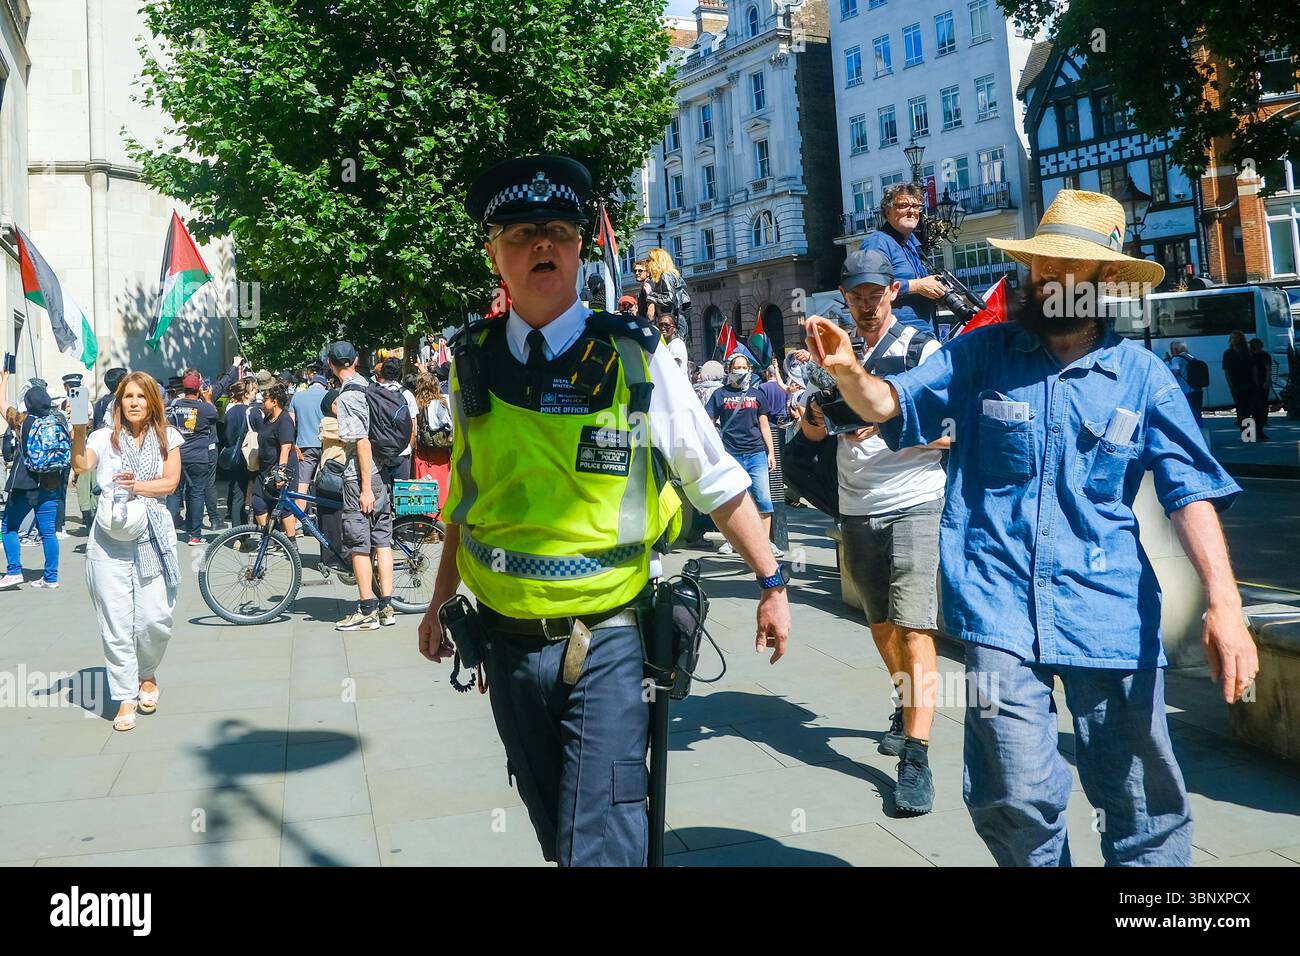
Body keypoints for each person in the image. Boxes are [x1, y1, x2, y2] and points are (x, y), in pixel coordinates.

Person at [805, 189, 1257, 866]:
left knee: (1141, 803)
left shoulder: (1142, 377)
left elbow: (1190, 491)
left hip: (1107, 612)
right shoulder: (980, 356)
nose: (1044, 281)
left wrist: (1226, 605)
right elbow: (889, 405)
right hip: (999, 608)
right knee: (1012, 794)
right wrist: (846, 370)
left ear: (1104, 281)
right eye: (1038, 267)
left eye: (1063, 269)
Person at [418, 154, 790, 868]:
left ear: (581, 246)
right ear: (493, 252)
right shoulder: (471, 362)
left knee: (604, 841)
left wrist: (772, 582)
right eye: (521, 233)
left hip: (609, 643)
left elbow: (714, 478)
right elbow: (465, 500)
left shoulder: (634, 357)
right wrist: (439, 602)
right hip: (505, 644)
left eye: (557, 230)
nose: (541, 247)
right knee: (557, 828)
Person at [800, 249, 949, 814]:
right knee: (879, 621)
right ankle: (904, 697)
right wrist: (816, 420)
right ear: (845, 296)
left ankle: (917, 753)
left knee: (914, 626)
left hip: (915, 500)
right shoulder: (832, 351)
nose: (865, 304)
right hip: (855, 503)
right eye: (855, 295)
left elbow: (951, 431)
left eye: (875, 293)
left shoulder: (921, 349)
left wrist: (884, 430)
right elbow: (814, 438)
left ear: (893, 292)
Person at [71, 372, 182, 732]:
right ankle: (124, 696)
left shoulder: (167, 436)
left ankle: (147, 673)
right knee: (116, 623)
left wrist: (139, 486)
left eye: (141, 396)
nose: (134, 402)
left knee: (154, 620)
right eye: (127, 397)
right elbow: (81, 465)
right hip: (109, 537)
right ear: (118, 403)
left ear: (152, 401)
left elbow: (171, 482)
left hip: (152, 533)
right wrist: (77, 427)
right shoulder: (104, 438)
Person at [329, 340, 396, 631]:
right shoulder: (368, 384)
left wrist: (365, 488)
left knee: (358, 543)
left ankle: (367, 609)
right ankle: (387, 607)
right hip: (381, 474)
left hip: (360, 478)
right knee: (382, 540)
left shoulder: (347, 396)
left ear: (331, 364)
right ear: (356, 360)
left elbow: (362, 442)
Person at [705, 353, 778, 556]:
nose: (740, 370)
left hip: (756, 454)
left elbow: (764, 425)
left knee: (763, 499)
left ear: (750, 370)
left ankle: (764, 544)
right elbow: (709, 424)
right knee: (733, 501)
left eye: (743, 367)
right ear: (728, 371)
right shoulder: (719, 395)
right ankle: (733, 541)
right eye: (736, 367)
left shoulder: (758, 394)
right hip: (730, 455)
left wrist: (770, 452)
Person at [0, 379, 67, 588]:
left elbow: (2, 404)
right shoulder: (59, 419)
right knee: (48, 532)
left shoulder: (23, 420)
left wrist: (3, 381)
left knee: (9, 526)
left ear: (28, 404)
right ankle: (51, 577)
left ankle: (14, 571)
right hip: (51, 482)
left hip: (26, 484)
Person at [859, 182, 950, 335]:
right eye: (903, 206)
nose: (911, 211)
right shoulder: (877, 242)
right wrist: (917, 285)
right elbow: (868, 290)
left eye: (916, 206)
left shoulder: (913, 246)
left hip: (923, 337)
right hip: (898, 339)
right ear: (887, 211)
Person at [166, 371, 219, 546]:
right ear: (198, 390)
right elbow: (215, 414)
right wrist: (207, 397)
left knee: (174, 492)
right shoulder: (205, 408)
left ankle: (168, 530)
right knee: (196, 494)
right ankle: (194, 534)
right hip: (198, 457)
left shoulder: (172, 404)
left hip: (176, 455)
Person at [250, 383, 299, 538]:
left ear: (275, 401)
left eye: (265, 400)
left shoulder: (284, 420)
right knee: (257, 501)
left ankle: (291, 542)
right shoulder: (268, 417)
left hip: (280, 469)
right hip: (265, 469)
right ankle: (269, 537)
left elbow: (285, 447)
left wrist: (281, 471)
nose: (262, 403)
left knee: (284, 508)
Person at [222, 380, 263, 527]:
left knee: (237, 495)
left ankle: (238, 532)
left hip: (236, 457)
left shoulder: (230, 412)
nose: (256, 393)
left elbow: (226, 436)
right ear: (246, 394)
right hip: (251, 456)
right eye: (253, 390)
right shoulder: (253, 411)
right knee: (257, 492)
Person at [412, 371, 452, 512]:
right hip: (441, 450)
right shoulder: (442, 402)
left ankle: (428, 520)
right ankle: (443, 519)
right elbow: (449, 424)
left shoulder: (416, 404)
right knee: (442, 482)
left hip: (423, 451)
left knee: (424, 485)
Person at [376, 356, 418, 485]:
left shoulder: (375, 393)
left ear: (382, 373)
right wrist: (408, 448)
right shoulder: (407, 394)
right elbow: (414, 428)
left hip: (379, 451)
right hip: (402, 450)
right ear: (400, 373)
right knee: (401, 493)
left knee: (382, 495)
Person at [290, 366, 328, 498]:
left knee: (302, 485)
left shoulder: (297, 397)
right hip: (327, 446)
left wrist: (293, 445)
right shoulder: (329, 396)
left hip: (304, 446)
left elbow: (291, 424)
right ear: (324, 384)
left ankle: (299, 517)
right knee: (328, 483)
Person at [644, 247, 691, 343]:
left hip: (671, 323)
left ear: (657, 261)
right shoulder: (673, 275)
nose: (647, 263)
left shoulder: (666, 276)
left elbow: (669, 298)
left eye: (649, 260)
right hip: (675, 321)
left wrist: (651, 295)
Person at [1222, 330, 1254, 436]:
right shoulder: (1228, 354)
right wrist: (1231, 385)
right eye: (1232, 338)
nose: (1234, 340)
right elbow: (1226, 371)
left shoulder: (1248, 352)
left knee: (1250, 407)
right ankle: (1246, 433)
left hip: (1250, 382)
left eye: (1236, 337)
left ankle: (1251, 430)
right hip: (1236, 384)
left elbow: (1254, 368)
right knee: (1241, 408)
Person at [1165, 340, 1204, 428]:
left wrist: (1168, 364)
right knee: (1197, 413)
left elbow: (1176, 372)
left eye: (1172, 349)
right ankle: (1201, 430)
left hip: (1186, 391)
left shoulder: (1177, 359)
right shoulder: (1190, 357)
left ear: (1175, 349)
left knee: (1188, 414)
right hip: (1197, 389)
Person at [1248, 338, 1273, 442]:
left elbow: (1268, 369)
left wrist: (1267, 381)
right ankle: (1256, 431)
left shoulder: (1263, 355)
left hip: (1261, 383)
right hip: (1256, 384)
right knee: (1257, 407)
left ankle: (1257, 430)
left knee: (1260, 406)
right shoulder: (1252, 355)